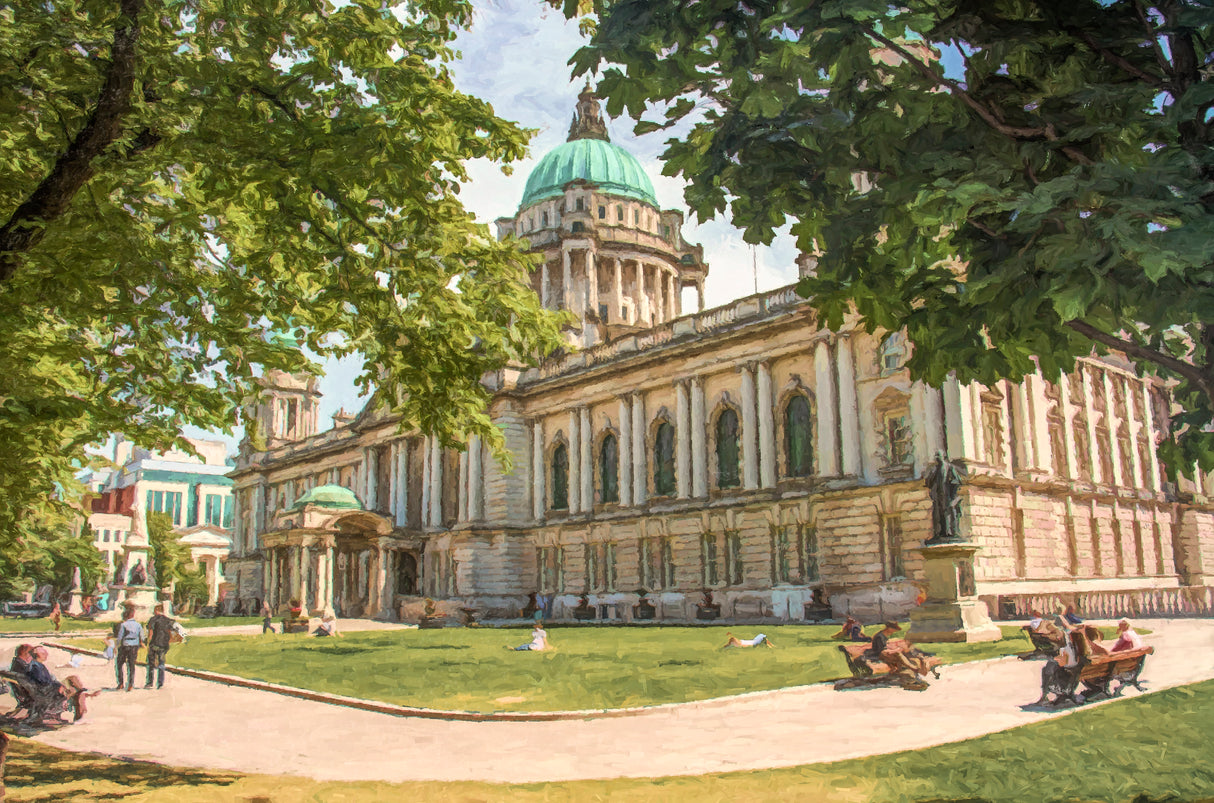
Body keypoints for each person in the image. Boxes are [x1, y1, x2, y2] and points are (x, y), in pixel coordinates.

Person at [28, 647, 85, 721]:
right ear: (36, 655)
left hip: (49, 688)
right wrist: (58, 686)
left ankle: (81, 690)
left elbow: (46, 681)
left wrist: (58, 684)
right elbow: (43, 683)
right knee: (74, 691)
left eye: (45, 652)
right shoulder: (36, 667)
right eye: (43, 653)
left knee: (73, 678)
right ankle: (78, 716)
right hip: (48, 691)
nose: (46, 654)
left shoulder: (37, 665)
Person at [114, 602, 145, 691]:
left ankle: (120, 683)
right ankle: (130, 684)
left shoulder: (123, 625)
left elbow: (120, 637)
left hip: (125, 645)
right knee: (131, 665)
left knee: (119, 664)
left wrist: (117, 646)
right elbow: (142, 636)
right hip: (134, 646)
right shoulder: (138, 625)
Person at [144, 604, 174, 689]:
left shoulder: (153, 620)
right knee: (161, 663)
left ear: (156, 610)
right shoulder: (168, 620)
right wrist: (169, 641)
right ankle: (160, 683)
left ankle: (149, 682)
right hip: (164, 644)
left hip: (154, 643)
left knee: (151, 664)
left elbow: (151, 632)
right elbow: (171, 632)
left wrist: (148, 642)